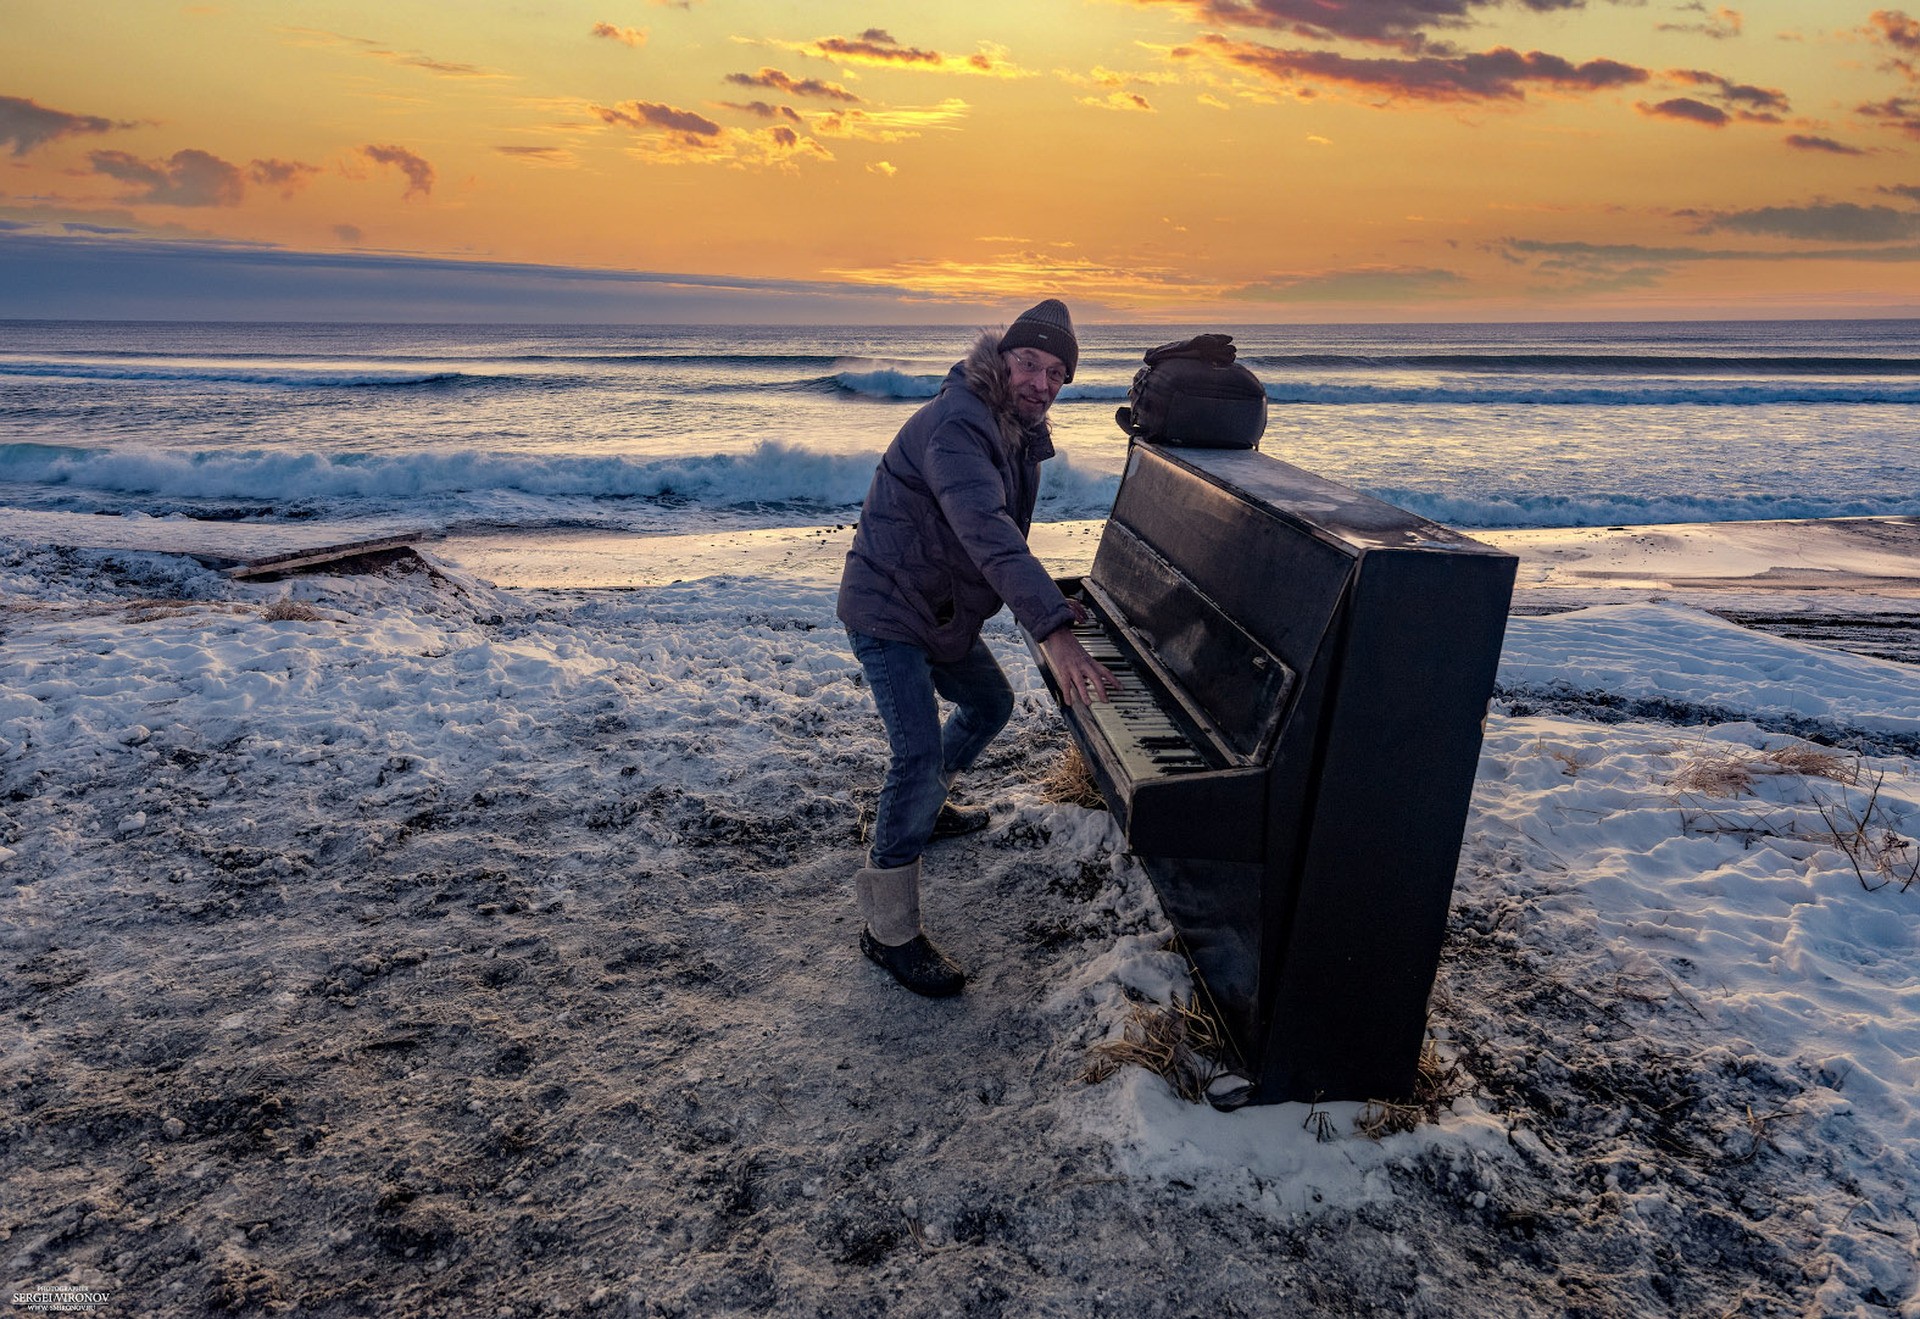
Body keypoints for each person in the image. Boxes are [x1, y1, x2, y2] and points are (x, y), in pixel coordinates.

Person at [837, 299, 1119, 998]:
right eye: (1030, 362)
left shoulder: (1018, 431)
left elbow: (1001, 539)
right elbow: (989, 532)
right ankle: (888, 930)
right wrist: (1052, 629)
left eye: (1057, 372)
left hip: (939, 611)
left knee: (990, 702)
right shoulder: (960, 423)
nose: (1043, 381)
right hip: (889, 609)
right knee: (916, 753)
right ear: (1000, 359)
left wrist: (1054, 601)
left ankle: (927, 807)